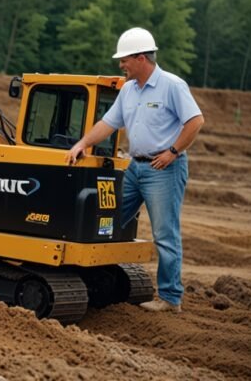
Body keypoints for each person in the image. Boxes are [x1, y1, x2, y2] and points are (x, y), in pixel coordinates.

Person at [64, 27, 204, 313]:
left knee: (165, 234)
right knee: (108, 220)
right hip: (134, 168)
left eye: (124, 59)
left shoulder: (172, 86)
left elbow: (195, 121)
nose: (121, 65)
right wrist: (83, 143)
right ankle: (96, 279)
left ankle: (170, 298)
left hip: (164, 169)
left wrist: (172, 152)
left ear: (141, 58)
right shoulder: (128, 90)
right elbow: (108, 123)